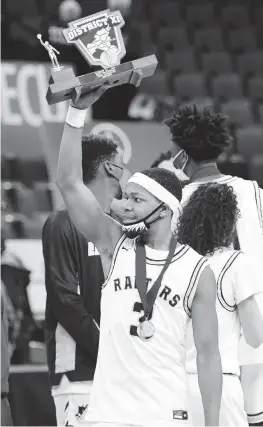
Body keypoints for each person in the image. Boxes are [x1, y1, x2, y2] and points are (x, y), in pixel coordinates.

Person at [55, 86, 222, 427]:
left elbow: (207, 355)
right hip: (107, 414)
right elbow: (69, 183)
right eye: (126, 197)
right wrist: (75, 114)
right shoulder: (114, 242)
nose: (125, 206)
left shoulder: (197, 269)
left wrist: (213, 423)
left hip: (166, 412)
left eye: (136, 200)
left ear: (165, 210)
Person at [165, 105, 263, 427]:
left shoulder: (173, 203)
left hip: (207, 349)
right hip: (255, 335)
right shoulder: (253, 192)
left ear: (181, 154)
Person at [42, 129, 128, 426]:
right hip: (80, 377)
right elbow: (64, 298)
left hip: (122, 377)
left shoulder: (120, 229)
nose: (125, 172)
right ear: (109, 167)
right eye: (121, 164)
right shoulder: (61, 222)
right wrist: (109, 350)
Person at [176, 182, 263, 426]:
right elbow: (256, 337)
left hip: (176, 386)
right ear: (229, 221)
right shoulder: (235, 263)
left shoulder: (180, 263)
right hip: (220, 385)